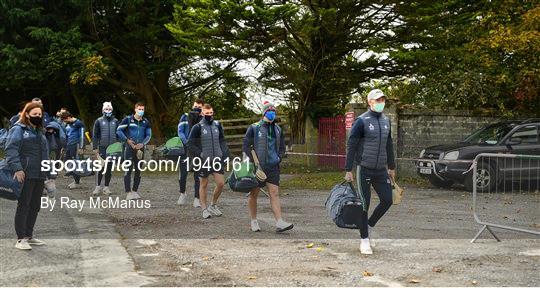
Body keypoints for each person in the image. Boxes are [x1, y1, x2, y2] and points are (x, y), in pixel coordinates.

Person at [344, 89, 396, 255]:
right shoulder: (361, 121)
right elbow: (351, 145)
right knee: (364, 205)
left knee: (388, 200)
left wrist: (391, 167)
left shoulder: (386, 121)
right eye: (377, 100)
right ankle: (364, 240)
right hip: (364, 169)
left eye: (382, 99)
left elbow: (389, 145)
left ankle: (369, 225)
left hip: (380, 170)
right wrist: (348, 169)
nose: (381, 102)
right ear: (370, 102)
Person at [0, 102, 50, 250]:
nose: (37, 117)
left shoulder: (40, 132)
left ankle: (29, 236)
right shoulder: (18, 129)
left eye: (40, 115)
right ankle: (20, 239)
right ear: (27, 114)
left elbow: (46, 154)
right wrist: (17, 169)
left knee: (35, 206)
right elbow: (11, 149)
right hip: (25, 174)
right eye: (35, 114)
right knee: (24, 205)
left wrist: (49, 176)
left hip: (39, 175)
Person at [243, 101, 293, 233]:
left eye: (274, 111)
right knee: (254, 194)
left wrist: (279, 158)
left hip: (273, 166)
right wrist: (254, 162)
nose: (272, 113)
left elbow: (282, 147)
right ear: (264, 112)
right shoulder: (254, 128)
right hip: (258, 167)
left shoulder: (278, 129)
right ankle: (253, 221)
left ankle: (279, 222)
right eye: (270, 110)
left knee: (274, 194)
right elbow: (246, 146)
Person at [187, 104, 229, 219]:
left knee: (221, 183)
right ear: (202, 113)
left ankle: (213, 205)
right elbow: (190, 143)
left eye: (211, 113)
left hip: (217, 159)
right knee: (204, 184)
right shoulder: (197, 127)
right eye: (207, 113)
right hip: (203, 160)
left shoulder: (218, 125)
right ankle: (204, 209)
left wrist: (225, 153)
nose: (209, 115)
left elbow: (222, 140)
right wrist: (200, 154)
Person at [116, 102, 152, 200]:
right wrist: (127, 140)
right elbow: (119, 130)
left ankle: (135, 191)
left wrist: (143, 144)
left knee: (138, 171)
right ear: (135, 109)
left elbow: (149, 135)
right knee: (128, 170)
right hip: (129, 148)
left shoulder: (146, 122)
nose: (141, 111)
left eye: (142, 109)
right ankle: (128, 192)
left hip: (140, 149)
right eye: (139, 109)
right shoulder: (128, 119)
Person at [177, 99, 204, 207]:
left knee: (198, 175)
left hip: (197, 149)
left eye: (199, 106)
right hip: (185, 148)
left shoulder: (204, 118)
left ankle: (197, 198)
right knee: (183, 173)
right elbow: (180, 131)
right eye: (195, 105)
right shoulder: (185, 116)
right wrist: (187, 142)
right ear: (192, 105)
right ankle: (182, 193)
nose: (197, 107)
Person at [91, 102, 119, 196]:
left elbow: (118, 135)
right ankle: (97, 187)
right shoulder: (98, 121)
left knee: (109, 168)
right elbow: (95, 136)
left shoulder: (115, 121)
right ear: (103, 110)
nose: (108, 111)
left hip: (112, 149)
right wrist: (95, 148)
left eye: (110, 109)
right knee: (101, 167)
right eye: (106, 109)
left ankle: (106, 187)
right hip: (102, 147)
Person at [60, 111, 85, 189]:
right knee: (67, 161)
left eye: (65, 120)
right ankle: (77, 177)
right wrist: (64, 147)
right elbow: (67, 136)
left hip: (76, 145)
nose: (65, 122)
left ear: (68, 118)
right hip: (69, 145)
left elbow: (82, 135)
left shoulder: (78, 123)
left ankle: (77, 182)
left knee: (76, 163)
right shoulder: (69, 125)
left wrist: (81, 147)